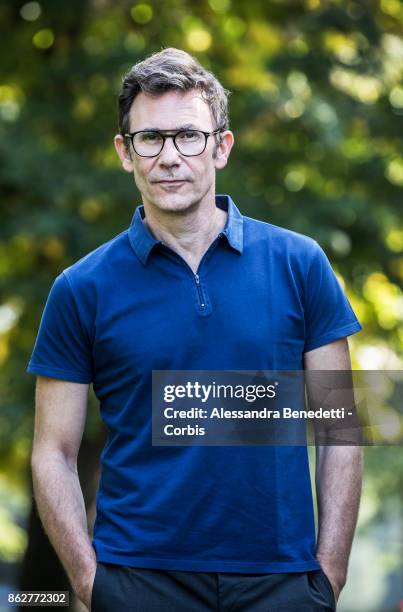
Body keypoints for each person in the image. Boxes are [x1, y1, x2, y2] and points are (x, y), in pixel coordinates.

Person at [27, 47, 363, 611]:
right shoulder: (81, 289)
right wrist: (92, 584)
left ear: (221, 146)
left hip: (282, 583)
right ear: (125, 153)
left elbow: (340, 431)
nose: (169, 157)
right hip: (139, 581)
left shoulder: (300, 264)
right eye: (149, 139)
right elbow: (52, 452)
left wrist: (328, 575)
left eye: (188, 136)